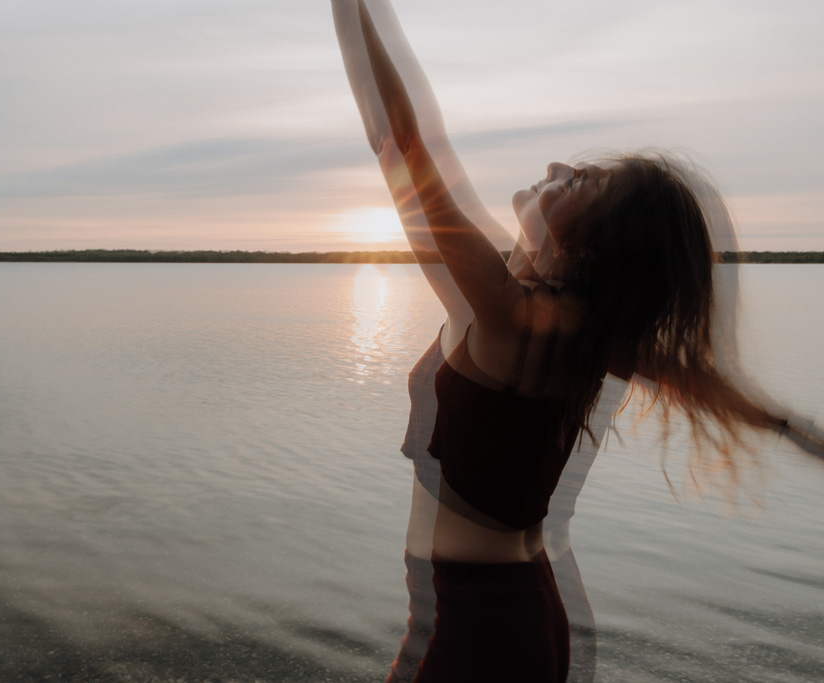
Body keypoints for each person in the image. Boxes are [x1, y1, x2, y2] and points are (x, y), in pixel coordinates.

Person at [331, 1, 823, 681]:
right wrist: (792, 426)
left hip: (485, 626)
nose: (561, 165)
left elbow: (404, 144)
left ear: (590, 243)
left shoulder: (513, 314)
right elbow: (695, 379)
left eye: (583, 180)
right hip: (509, 614)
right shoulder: (585, 333)